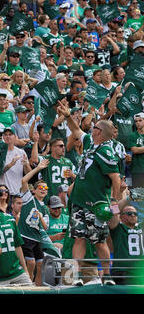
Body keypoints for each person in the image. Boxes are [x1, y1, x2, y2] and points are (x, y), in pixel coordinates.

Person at [57, 100, 121, 286]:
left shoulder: (105, 151)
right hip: (79, 202)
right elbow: (76, 130)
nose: (91, 129)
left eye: (95, 127)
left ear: (99, 132)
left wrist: (114, 202)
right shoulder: (91, 145)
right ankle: (76, 275)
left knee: (99, 241)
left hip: (95, 204)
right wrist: (68, 116)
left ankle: (107, 276)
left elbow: (116, 178)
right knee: (79, 238)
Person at [0, 190, 32, 286]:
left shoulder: (9, 219)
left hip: (17, 271)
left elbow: (17, 246)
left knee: (31, 291)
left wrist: (25, 269)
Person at [18, 159, 50, 286]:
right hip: (25, 236)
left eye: (46, 188)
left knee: (40, 264)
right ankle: (28, 286)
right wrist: (38, 169)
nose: (43, 189)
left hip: (37, 238)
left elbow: (46, 227)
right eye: (40, 187)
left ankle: (38, 287)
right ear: (34, 190)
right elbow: (23, 181)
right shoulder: (29, 198)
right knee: (30, 263)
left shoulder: (45, 208)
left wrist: (41, 216)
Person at [108, 200, 144, 285]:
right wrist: (128, 198)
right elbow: (113, 212)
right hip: (122, 272)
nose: (133, 215)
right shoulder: (118, 228)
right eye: (129, 213)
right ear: (121, 216)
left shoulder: (141, 227)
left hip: (140, 271)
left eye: (135, 214)